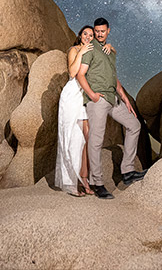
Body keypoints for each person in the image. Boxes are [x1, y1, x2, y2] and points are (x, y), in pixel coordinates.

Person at [76, 17, 144, 199]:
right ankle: (96, 182)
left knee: (134, 125)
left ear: (108, 31)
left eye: (102, 31)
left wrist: (125, 99)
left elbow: (114, 78)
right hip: (98, 99)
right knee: (96, 140)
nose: (98, 34)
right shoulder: (90, 48)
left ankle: (128, 171)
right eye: (96, 31)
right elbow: (80, 74)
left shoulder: (110, 52)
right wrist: (91, 95)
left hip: (113, 98)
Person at [55, 25, 115, 196]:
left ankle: (84, 179)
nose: (88, 37)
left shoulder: (95, 50)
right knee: (72, 137)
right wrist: (81, 52)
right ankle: (72, 184)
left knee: (86, 139)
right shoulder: (74, 50)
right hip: (72, 95)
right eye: (85, 34)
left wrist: (110, 47)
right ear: (80, 35)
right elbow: (73, 73)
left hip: (85, 97)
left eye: (91, 35)